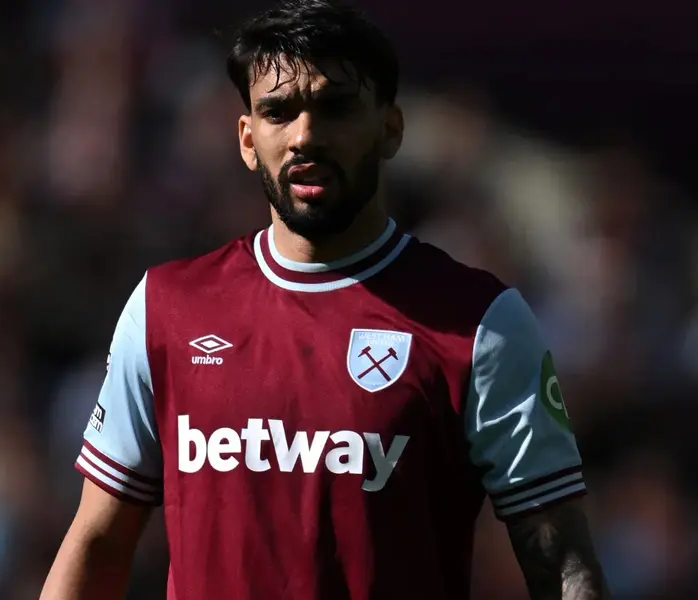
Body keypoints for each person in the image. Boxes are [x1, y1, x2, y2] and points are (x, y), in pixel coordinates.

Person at [39, 1, 610, 598]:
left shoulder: (480, 323)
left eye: (335, 107)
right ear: (247, 140)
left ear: (391, 129)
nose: (304, 136)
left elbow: (562, 563)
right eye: (278, 112)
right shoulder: (166, 309)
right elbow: (98, 540)